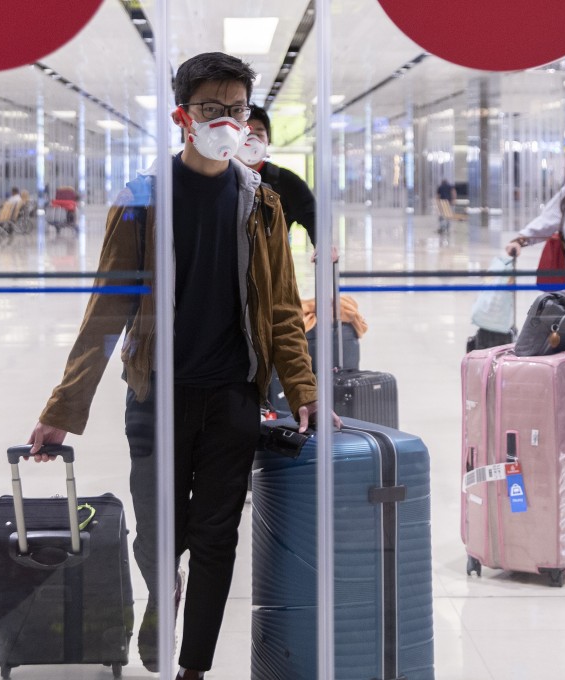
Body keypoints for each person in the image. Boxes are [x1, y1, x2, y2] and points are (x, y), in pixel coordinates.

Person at [25, 52, 337, 680]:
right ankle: (161, 591)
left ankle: (193, 667)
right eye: (211, 109)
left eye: (237, 110)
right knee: (158, 536)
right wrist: (64, 409)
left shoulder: (263, 205)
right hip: (157, 397)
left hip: (231, 398)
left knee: (218, 538)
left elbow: (279, 309)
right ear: (182, 116)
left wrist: (302, 386)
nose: (226, 122)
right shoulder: (143, 200)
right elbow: (106, 311)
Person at [238, 104, 318, 249]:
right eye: (247, 134)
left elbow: (313, 216)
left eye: (259, 134)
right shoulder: (221, 178)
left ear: (268, 140)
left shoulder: (285, 181)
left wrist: (322, 245)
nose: (253, 140)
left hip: (273, 267)